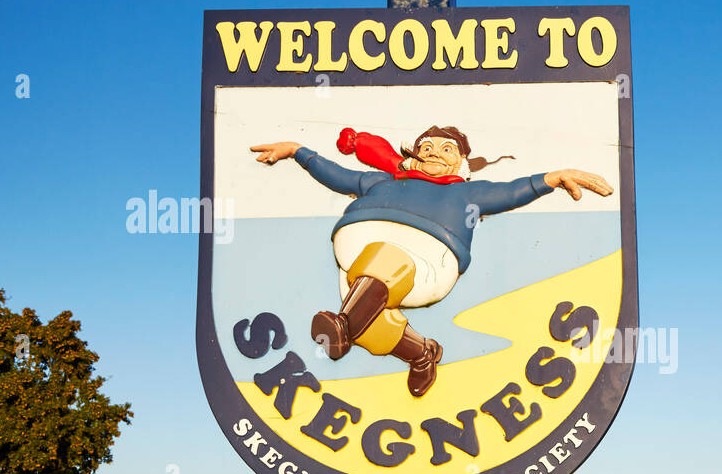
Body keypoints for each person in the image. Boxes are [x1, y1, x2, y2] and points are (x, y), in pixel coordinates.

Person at [250, 127, 611, 397]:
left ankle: (343, 325)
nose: (434, 152)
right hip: (356, 260)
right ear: (414, 154)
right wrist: (297, 150)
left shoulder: (467, 193)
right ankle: (420, 353)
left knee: (387, 259)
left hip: (426, 259)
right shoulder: (379, 180)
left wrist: (554, 178)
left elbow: (512, 191)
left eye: (446, 148)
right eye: (426, 147)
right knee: (371, 327)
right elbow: (335, 174)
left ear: (460, 160)